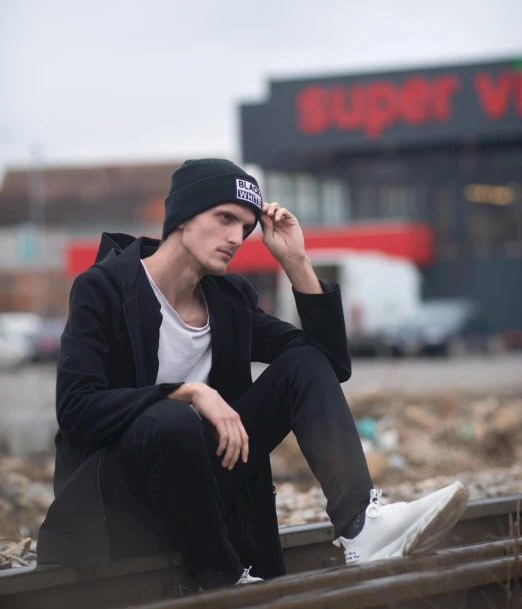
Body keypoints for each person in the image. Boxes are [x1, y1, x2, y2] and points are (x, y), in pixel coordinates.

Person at [37, 159, 468, 587]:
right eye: (224, 218)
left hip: (202, 489)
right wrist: (188, 392)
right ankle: (221, 578)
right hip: (119, 504)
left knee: (299, 364)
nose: (235, 238)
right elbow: (77, 410)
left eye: (244, 227)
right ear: (183, 218)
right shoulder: (104, 288)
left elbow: (326, 364)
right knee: (172, 417)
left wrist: (297, 262)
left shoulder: (228, 301)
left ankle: (360, 528)